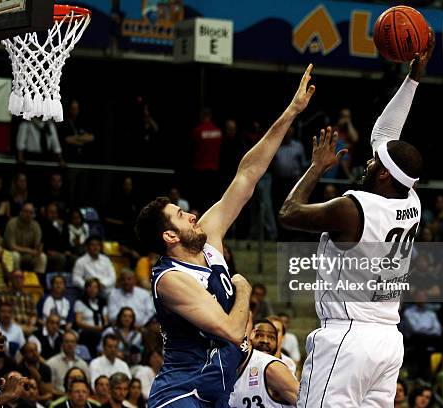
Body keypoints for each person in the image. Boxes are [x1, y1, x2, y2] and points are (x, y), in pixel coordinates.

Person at [135, 63, 319, 407]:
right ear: (170, 237)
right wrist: (245, 289)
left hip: (214, 392)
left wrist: (292, 111)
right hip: (180, 395)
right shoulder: (171, 280)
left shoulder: (209, 237)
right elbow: (234, 332)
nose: (192, 215)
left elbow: (248, 173)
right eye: (180, 216)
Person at [278, 32, 434, 408]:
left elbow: (288, 213)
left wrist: (316, 168)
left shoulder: (353, 209)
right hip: (387, 341)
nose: (368, 161)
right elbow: (385, 133)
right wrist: (413, 78)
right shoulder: (410, 197)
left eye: (374, 163)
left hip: (348, 339)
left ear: (383, 175)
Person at [228, 319, 299, 407]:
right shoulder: (230, 366)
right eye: (259, 335)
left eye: (271, 337)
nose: (265, 341)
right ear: (252, 335)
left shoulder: (274, 368)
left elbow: (309, 403)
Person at [4, 203, 47, 274]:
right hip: (11, 253)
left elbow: (37, 246)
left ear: (33, 215)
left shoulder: (36, 225)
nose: (28, 214)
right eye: (26, 211)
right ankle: (15, 280)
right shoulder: (12, 223)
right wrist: (30, 250)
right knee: (15, 256)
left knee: (42, 257)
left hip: (27, 256)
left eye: (31, 213)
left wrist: (39, 249)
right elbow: (12, 246)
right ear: (20, 212)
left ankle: (37, 281)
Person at [46, 332, 91, 397]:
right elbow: (49, 388)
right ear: (62, 344)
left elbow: (87, 385)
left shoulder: (83, 364)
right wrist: (66, 395)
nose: (70, 344)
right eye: (67, 342)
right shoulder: (51, 363)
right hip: (58, 398)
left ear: (76, 344)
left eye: (72, 342)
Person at [74, 278, 108, 357]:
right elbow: (78, 321)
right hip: (86, 332)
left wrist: (103, 327)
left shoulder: (102, 302)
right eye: (90, 287)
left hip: (100, 330)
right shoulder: (80, 302)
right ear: (86, 288)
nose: (92, 289)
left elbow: (105, 320)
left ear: (98, 289)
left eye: (95, 287)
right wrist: (94, 328)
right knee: (93, 335)